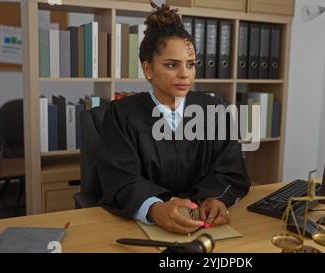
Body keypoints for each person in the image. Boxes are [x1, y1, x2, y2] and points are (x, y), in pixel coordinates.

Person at [98, 2, 250, 235]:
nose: (185, 74)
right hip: (139, 228)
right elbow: (120, 178)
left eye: (191, 64)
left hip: (203, 225)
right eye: (172, 65)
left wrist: (216, 199)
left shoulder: (215, 111)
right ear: (148, 69)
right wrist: (155, 209)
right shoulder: (122, 114)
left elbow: (230, 171)